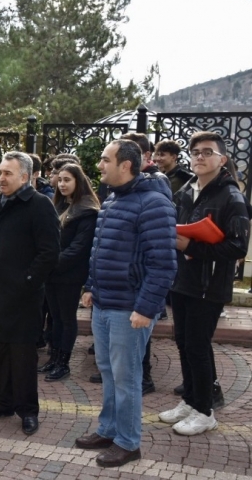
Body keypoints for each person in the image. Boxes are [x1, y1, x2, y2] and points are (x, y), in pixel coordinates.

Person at [75, 140, 176, 468]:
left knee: (126, 377)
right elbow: (101, 250)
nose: (100, 165)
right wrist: (91, 287)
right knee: (108, 371)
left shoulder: (153, 203)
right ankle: (108, 429)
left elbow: (163, 264)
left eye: (106, 160)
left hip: (129, 308)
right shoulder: (114, 198)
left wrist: (146, 308)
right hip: (104, 303)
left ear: (127, 165)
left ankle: (129, 442)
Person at [159, 131, 251, 436]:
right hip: (182, 280)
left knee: (198, 346)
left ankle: (204, 411)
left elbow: (238, 247)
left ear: (221, 159)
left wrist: (192, 247)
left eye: (207, 152)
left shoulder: (230, 196)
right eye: (195, 151)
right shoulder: (187, 189)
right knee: (183, 342)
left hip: (208, 284)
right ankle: (190, 400)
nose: (199, 156)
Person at [0, 152, 60, 435]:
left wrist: (27, 282)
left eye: (8, 173)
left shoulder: (39, 205)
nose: (1, 178)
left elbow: (49, 252)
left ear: (25, 176)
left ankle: (27, 410)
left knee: (22, 358)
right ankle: (4, 402)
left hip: (23, 298)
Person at [121, 132, 172, 394]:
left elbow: (160, 251)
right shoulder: (124, 187)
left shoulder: (155, 184)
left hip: (140, 276)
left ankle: (145, 378)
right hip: (125, 277)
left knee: (140, 334)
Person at [40, 164, 99, 381]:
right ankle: (54, 358)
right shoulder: (58, 205)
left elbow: (79, 247)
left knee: (66, 318)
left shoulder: (87, 210)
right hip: (52, 272)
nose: (62, 184)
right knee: (54, 318)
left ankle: (63, 362)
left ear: (78, 182)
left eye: (68, 180)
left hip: (70, 274)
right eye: (60, 180)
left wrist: (51, 263)